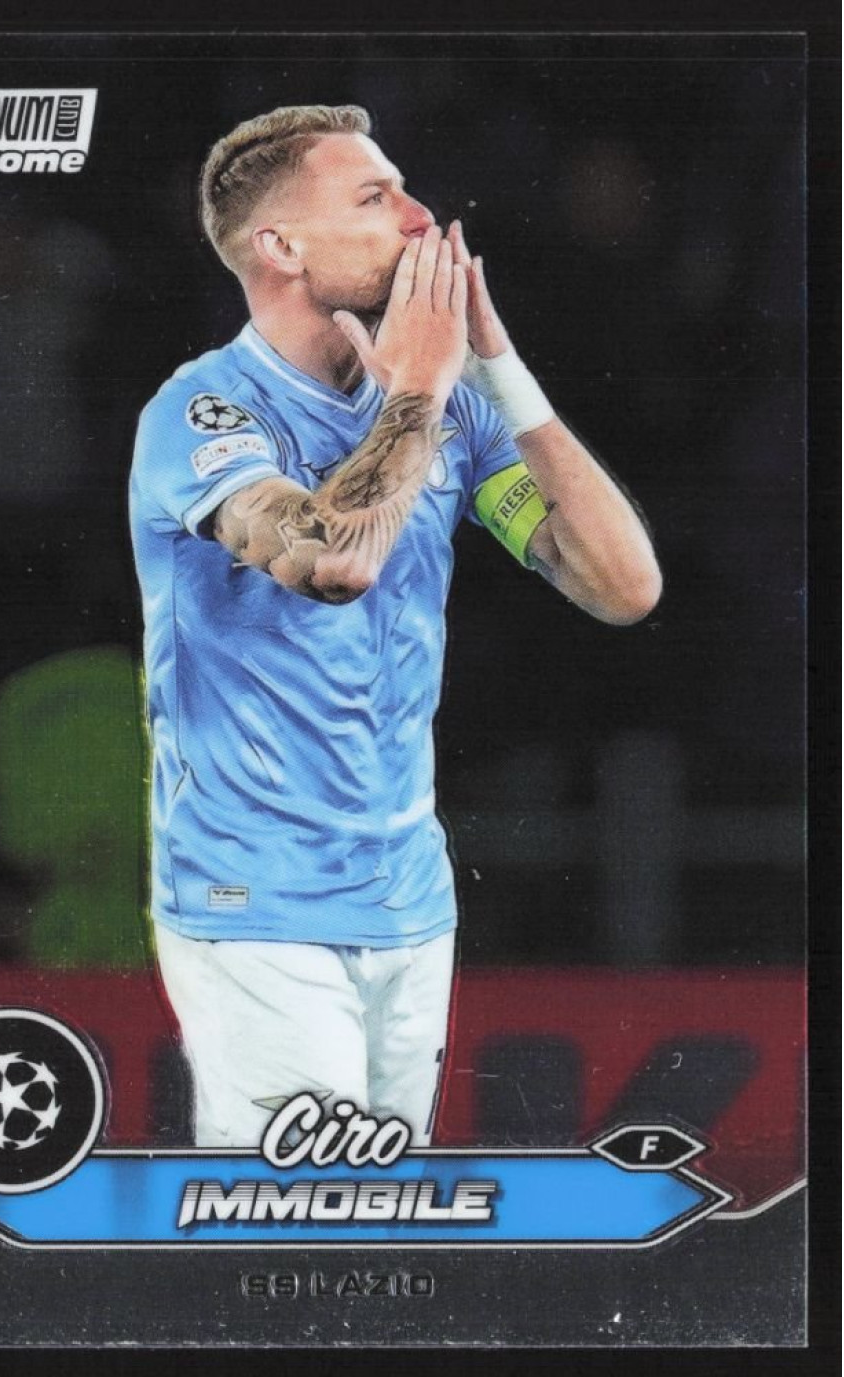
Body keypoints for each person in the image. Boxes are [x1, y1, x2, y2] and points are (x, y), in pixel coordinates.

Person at [129, 105, 661, 1149]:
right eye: (376, 198)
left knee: (374, 1225)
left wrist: (495, 365)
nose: (421, 217)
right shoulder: (203, 415)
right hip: (257, 902)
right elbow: (333, 563)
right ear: (281, 248)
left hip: (407, 902)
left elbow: (622, 585)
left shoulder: (454, 411)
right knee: (304, 1228)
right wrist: (416, 386)